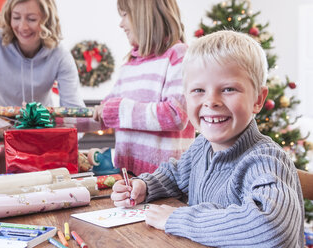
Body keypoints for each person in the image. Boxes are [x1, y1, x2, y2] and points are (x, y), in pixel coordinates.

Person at [111, 30, 304, 247]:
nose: (211, 101)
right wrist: (145, 186)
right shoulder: (202, 146)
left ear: (258, 100)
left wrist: (177, 219)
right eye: (199, 90)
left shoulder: (265, 160)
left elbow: (271, 228)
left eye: (229, 89)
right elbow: (175, 175)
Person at [86, 0, 195, 176]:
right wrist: (58, 121)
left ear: (144, 15)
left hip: (166, 182)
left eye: (124, 15)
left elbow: (176, 115)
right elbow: (104, 113)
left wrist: (117, 110)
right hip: (128, 177)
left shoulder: (179, 55)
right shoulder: (129, 65)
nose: (121, 24)